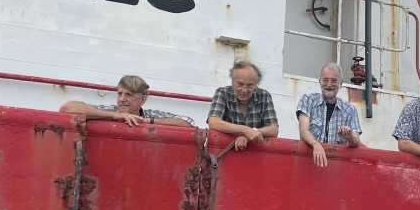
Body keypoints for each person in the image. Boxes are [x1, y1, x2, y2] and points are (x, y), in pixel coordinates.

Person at [60, 75, 192, 128]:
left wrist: (146, 121)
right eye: (119, 94)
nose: (122, 99)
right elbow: (67, 108)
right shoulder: (107, 111)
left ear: (143, 99)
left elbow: (188, 122)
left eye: (128, 95)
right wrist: (115, 115)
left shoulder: (151, 115)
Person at [296, 62, 362, 166]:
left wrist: (349, 137)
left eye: (334, 81)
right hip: (308, 164)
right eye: (325, 80)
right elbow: (303, 130)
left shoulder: (350, 109)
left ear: (341, 83)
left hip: (337, 169)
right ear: (319, 82)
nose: (329, 84)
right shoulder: (307, 100)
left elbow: (356, 141)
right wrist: (316, 145)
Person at [207, 60, 279, 150]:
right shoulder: (222, 93)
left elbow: (273, 129)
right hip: (223, 152)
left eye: (249, 86)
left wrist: (252, 133)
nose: (244, 90)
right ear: (232, 81)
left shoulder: (264, 96)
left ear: (256, 85)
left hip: (254, 153)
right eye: (240, 84)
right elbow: (213, 122)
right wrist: (245, 130)